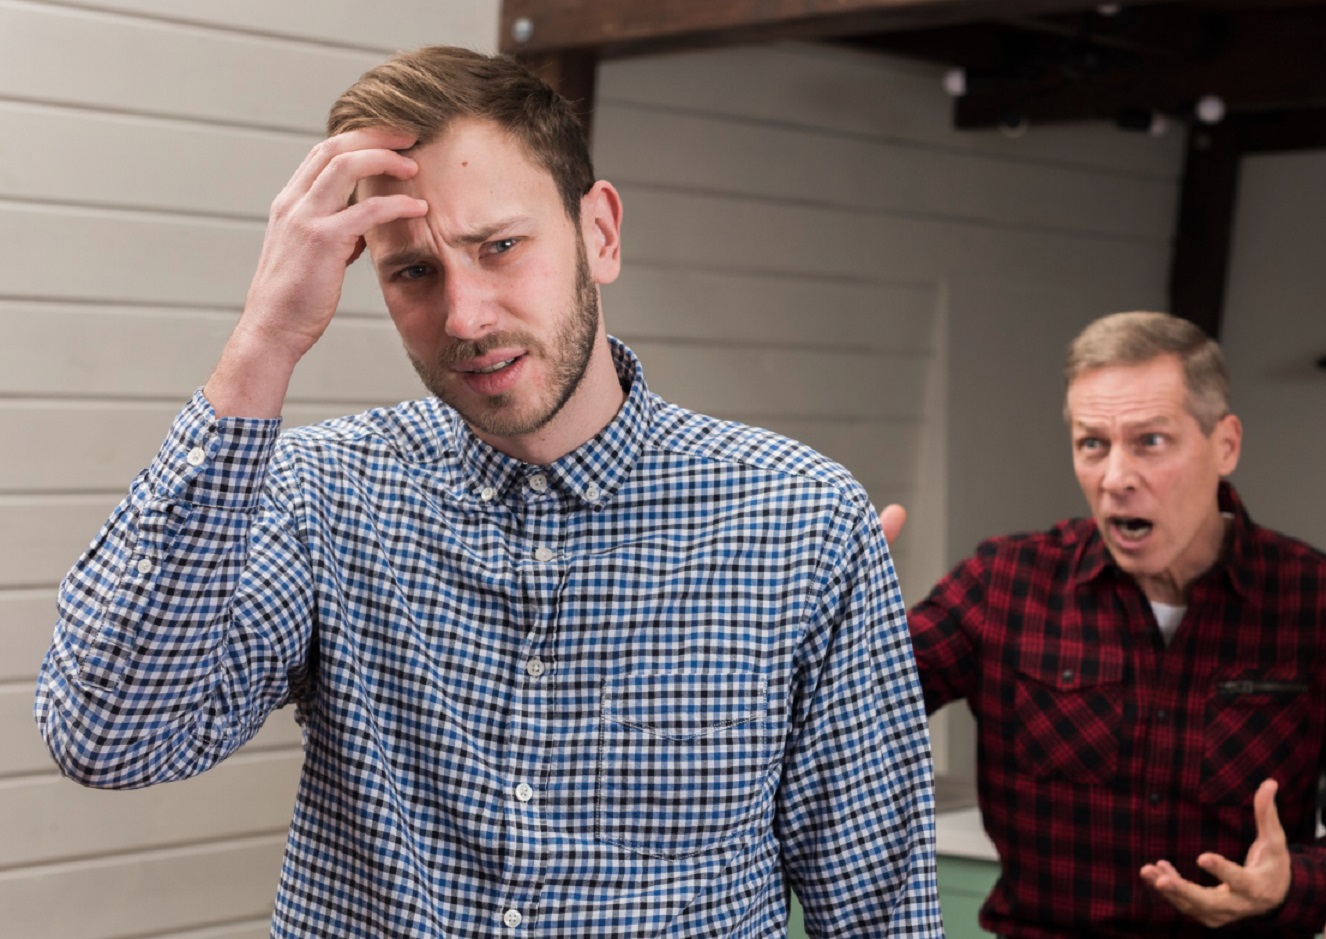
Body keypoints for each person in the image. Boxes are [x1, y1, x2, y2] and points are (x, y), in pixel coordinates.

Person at [33, 46, 942, 938]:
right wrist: (266, 337)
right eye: (414, 271)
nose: (465, 318)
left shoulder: (802, 519)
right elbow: (111, 737)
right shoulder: (322, 494)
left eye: (500, 246)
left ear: (600, 232)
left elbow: (879, 906)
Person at [880, 310, 1326, 937]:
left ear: (1225, 444)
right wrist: (824, 603)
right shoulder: (1002, 584)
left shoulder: (1312, 601)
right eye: (1093, 443)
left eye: (1151, 441)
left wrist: (1293, 885)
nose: (1116, 478)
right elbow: (855, 699)